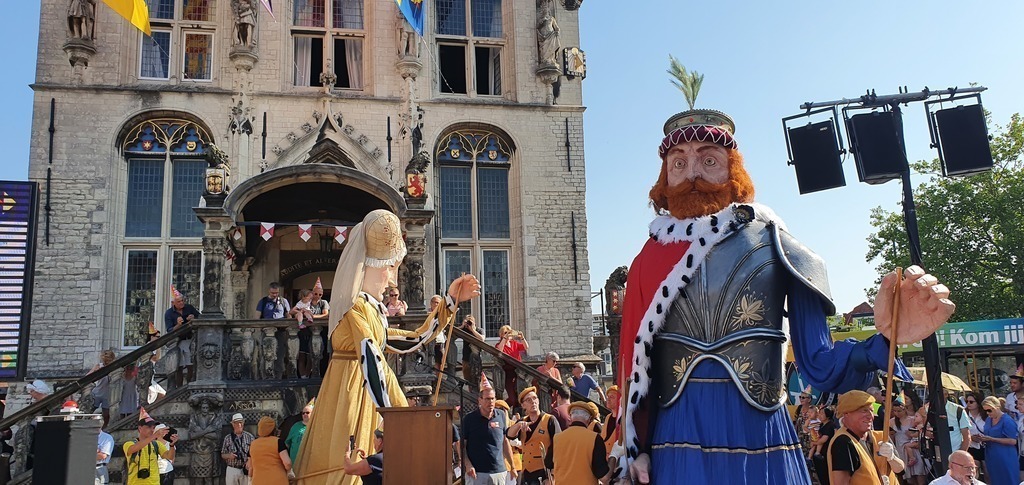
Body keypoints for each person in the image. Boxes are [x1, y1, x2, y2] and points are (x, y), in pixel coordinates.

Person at [615, 105, 954, 484]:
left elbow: (820, 365)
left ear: (733, 169)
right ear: (664, 177)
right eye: (678, 163)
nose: (692, 173)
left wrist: (886, 339)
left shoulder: (777, 244)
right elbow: (636, 369)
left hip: (759, 433)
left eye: (708, 159)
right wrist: (637, 449)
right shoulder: (649, 259)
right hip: (675, 437)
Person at [293, 209, 479, 485]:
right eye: (390, 268)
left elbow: (413, 339)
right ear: (369, 264)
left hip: (371, 388)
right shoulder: (355, 308)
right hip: (353, 393)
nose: (393, 279)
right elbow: (371, 357)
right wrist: (394, 418)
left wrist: (450, 301)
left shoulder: (372, 309)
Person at [827, 390, 904, 485]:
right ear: (846, 414)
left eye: (871, 410)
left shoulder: (881, 436)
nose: (870, 416)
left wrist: (892, 458)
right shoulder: (843, 442)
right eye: (864, 411)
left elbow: (900, 470)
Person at [461, 375, 516, 485]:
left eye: (492, 398)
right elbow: (462, 444)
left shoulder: (500, 415)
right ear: (479, 400)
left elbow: (505, 441)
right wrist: (467, 464)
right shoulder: (469, 419)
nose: (490, 402)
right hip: (477, 472)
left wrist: (512, 466)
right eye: (487, 399)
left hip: (499, 471)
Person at [506, 387, 560, 485]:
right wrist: (518, 425)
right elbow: (509, 435)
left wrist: (552, 475)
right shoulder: (522, 421)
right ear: (523, 405)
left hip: (544, 472)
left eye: (535, 398)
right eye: (528, 400)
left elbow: (559, 447)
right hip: (526, 472)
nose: (533, 402)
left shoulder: (550, 420)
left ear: (538, 401)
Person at [551, 401, 610, 485]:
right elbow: (604, 477)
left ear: (570, 417)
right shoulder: (595, 438)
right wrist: (614, 457)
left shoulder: (557, 438)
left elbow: (548, 463)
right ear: (589, 419)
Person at [976, 396, 1018, 485]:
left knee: (1008, 479)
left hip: (1005, 455)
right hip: (991, 454)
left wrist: (992, 439)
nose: (987, 413)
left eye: (989, 410)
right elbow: (988, 434)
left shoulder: (1007, 420)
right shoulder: (988, 419)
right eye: (985, 411)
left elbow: (1013, 441)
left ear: (997, 408)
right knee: (994, 480)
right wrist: (982, 437)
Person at [165, 285, 200, 386]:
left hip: (189, 339)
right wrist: (178, 325)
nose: (181, 303)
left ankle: (189, 384)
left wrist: (194, 318)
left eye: (182, 301)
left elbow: (200, 317)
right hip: (177, 341)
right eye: (179, 302)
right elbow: (169, 330)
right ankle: (179, 387)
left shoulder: (189, 308)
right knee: (178, 366)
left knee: (191, 365)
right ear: (173, 303)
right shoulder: (169, 313)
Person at [123, 419, 174, 485]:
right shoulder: (129, 443)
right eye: (149, 427)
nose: (152, 430)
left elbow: (169, 457)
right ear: (140, 428)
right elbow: (133, 449)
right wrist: (154, 436)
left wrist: (172, 445)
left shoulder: (157, 444)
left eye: (153, 428)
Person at [247, 416, 292, 485]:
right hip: (278, 481)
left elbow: (250, 467)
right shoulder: (278, 442)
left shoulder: (253, 444)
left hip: (258, 481)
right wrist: (289, 471)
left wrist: (249, 480)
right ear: (273, 429)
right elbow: (287, 463)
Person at [892, 399, 927, 485]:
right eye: (895, 411)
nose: (897, 413)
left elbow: (920, 431)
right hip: (901, 449)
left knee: (919, 473)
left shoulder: (912, 419)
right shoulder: (891, 422)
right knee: (909, 478)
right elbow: (891, 437)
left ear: (905, 409)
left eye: (899, 411)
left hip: (913, 449)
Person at [496, 325, 529, 408]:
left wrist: (522, 338)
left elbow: (526, 347)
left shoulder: (514, 343)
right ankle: (500, 407)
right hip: (508, 373)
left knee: (519, 397)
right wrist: (504, 339)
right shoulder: (499, 344)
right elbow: (499, 350)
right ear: (501, 335)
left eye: (509, 332)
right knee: (512, 398)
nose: (508, 335)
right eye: (505, 333)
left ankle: (514, 414)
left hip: (518, 372)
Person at [222, 413, 255, 485]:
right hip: (232, 469)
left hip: (245, 469)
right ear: (233, 424)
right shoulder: (228, 438)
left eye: (241, 422)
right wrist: (229, 456)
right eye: (236, 423)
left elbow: (255, 452)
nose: (239, 425)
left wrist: (250, 461)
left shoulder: (250, 437)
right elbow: (223, 454)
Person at [291, 289, 316, 378]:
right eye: (309, 297)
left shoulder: (309, 303)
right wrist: (299, 311)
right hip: (301, 333)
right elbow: (292, 310)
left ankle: (308, 374)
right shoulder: (300, 303)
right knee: (301, 356)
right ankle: (302, 375)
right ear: (304, 297)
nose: (310, 299)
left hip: (311, 333)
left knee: (310, 356)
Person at [964, 392, 989, 481]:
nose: (968, 404)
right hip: (971, 446)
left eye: (971, 402)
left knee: (988, 473)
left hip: (985, 446)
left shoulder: (985, 415)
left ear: (978, 403)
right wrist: (971, 437)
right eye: (966, 401)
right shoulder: (964, 415)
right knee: (973, 473)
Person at [90, 349, 117, 429]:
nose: (106, 361)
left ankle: (104, 429)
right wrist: (95, 371)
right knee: (91, 410)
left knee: (106, 414)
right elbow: (88, 375)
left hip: (108, 394)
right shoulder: (99, 366)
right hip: (98, 392)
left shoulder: (114, 367)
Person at [811, 407, 837, 485]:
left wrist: (814, 443)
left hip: (826, 452)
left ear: (827, 415)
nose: (820, 415)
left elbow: (824, 439)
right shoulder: (822, 424)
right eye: (820, 413)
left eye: (822, 413)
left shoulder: (830, 425)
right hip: (819, 452)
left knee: (825, 474)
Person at [460, 315, 485, 382]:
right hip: (466, 358)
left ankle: (476, 391)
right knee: (467, 378)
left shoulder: (480, 330)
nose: (468, 324)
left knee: (477, 377)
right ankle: (470, 391)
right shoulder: (464, 330)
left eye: (470, 321)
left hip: (476, 358)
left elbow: (482, 339)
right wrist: (462, 326)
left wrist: (473, 330)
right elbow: (451, 333)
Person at [601, 385, 621, 456]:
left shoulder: (623, 418)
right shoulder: (607, 417)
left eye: (612, 397)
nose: (608, 399)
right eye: (608, 397)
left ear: (619, 399)